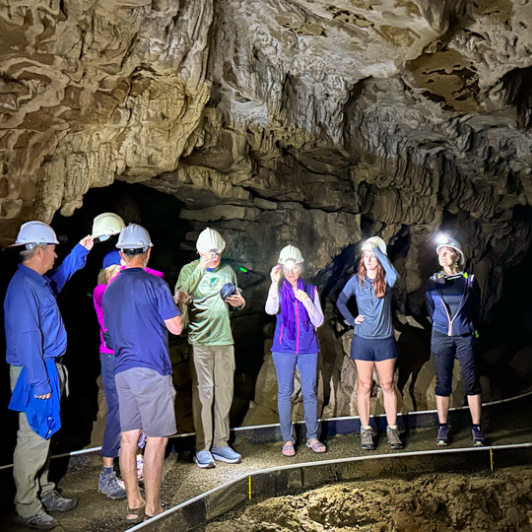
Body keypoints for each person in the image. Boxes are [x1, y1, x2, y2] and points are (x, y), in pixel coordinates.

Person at [5, 221, 93, 530]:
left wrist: (80, 251)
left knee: (46, 433)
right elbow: (27, 338)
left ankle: (43, 490)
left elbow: (62, 275)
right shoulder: (23, 287)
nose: (56, 254)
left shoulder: (38, 281)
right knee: (32, 439)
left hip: (49, 367)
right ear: (38, 250)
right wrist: (41, 382)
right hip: (36, 370)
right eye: (54, 248)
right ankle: (27, 505)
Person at [103, 224, 183, 523]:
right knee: (157, 439)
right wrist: (181, 308)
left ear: (122, 253)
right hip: (151, 369)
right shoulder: (155, 284)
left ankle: (133, 504)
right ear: (148, 252)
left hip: (122, 369)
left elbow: (110, 334)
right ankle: (152, 507)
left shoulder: (110, 290)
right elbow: (175, 327)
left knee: (128, 438)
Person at [93, 250, 165, 499]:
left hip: (133, 355)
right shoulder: (102, 291)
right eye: (119, 268)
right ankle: (107, 474)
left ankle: (135, 462)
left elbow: (158, 275)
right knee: (118, 413)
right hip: (112, 358)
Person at [175, 227, 245, 469]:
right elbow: (181, 295)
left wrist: (238, 302)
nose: (214, 257)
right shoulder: (189, 270)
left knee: (224, 393)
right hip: (200, 342)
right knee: (204, 395)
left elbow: (236, 297)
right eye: (209, 254)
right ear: (200, 252)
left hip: (224, 340)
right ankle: (202, 447)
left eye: (217, 253)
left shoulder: (228, 271)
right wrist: (200, 268)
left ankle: (221, 443)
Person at [336, 236, 402, 451]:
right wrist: (351, 319)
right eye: (366, 256)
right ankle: (366, 429)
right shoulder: (357, 280)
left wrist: (378, 251)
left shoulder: (386, 280)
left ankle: (392, 428)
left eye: (373, 257)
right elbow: (340, 301)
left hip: (384, 341)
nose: (370, 260)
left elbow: (395, 276)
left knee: (387, 385)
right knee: (364, 385)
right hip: (363, 340)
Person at [265, 245, 326, 457]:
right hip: (284, 347)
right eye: (286, 267)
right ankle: (287, 440)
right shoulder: (279, 289)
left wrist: (307, 300)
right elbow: (270, 310)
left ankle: (312, 436)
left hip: (308, 347)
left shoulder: (310, 289)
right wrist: (273, 284)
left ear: (301, 266)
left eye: (295, 267)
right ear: (281, 268)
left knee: (310, 391)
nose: (291, 272)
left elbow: (318, 320)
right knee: (285, 392)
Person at [426, 236, 483, 446]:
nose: (442, 255)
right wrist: (443, 326)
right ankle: (443, 427)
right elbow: (431, 309)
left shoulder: (469, 280)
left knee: (470, 381)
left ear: (456, 256)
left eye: (447, 251)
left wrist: (471, 331)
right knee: (443, 382)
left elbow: (476, 309)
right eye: (440, 252)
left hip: (464, 335)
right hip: (441, 336)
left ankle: (476, 428)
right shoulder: (433, 281)